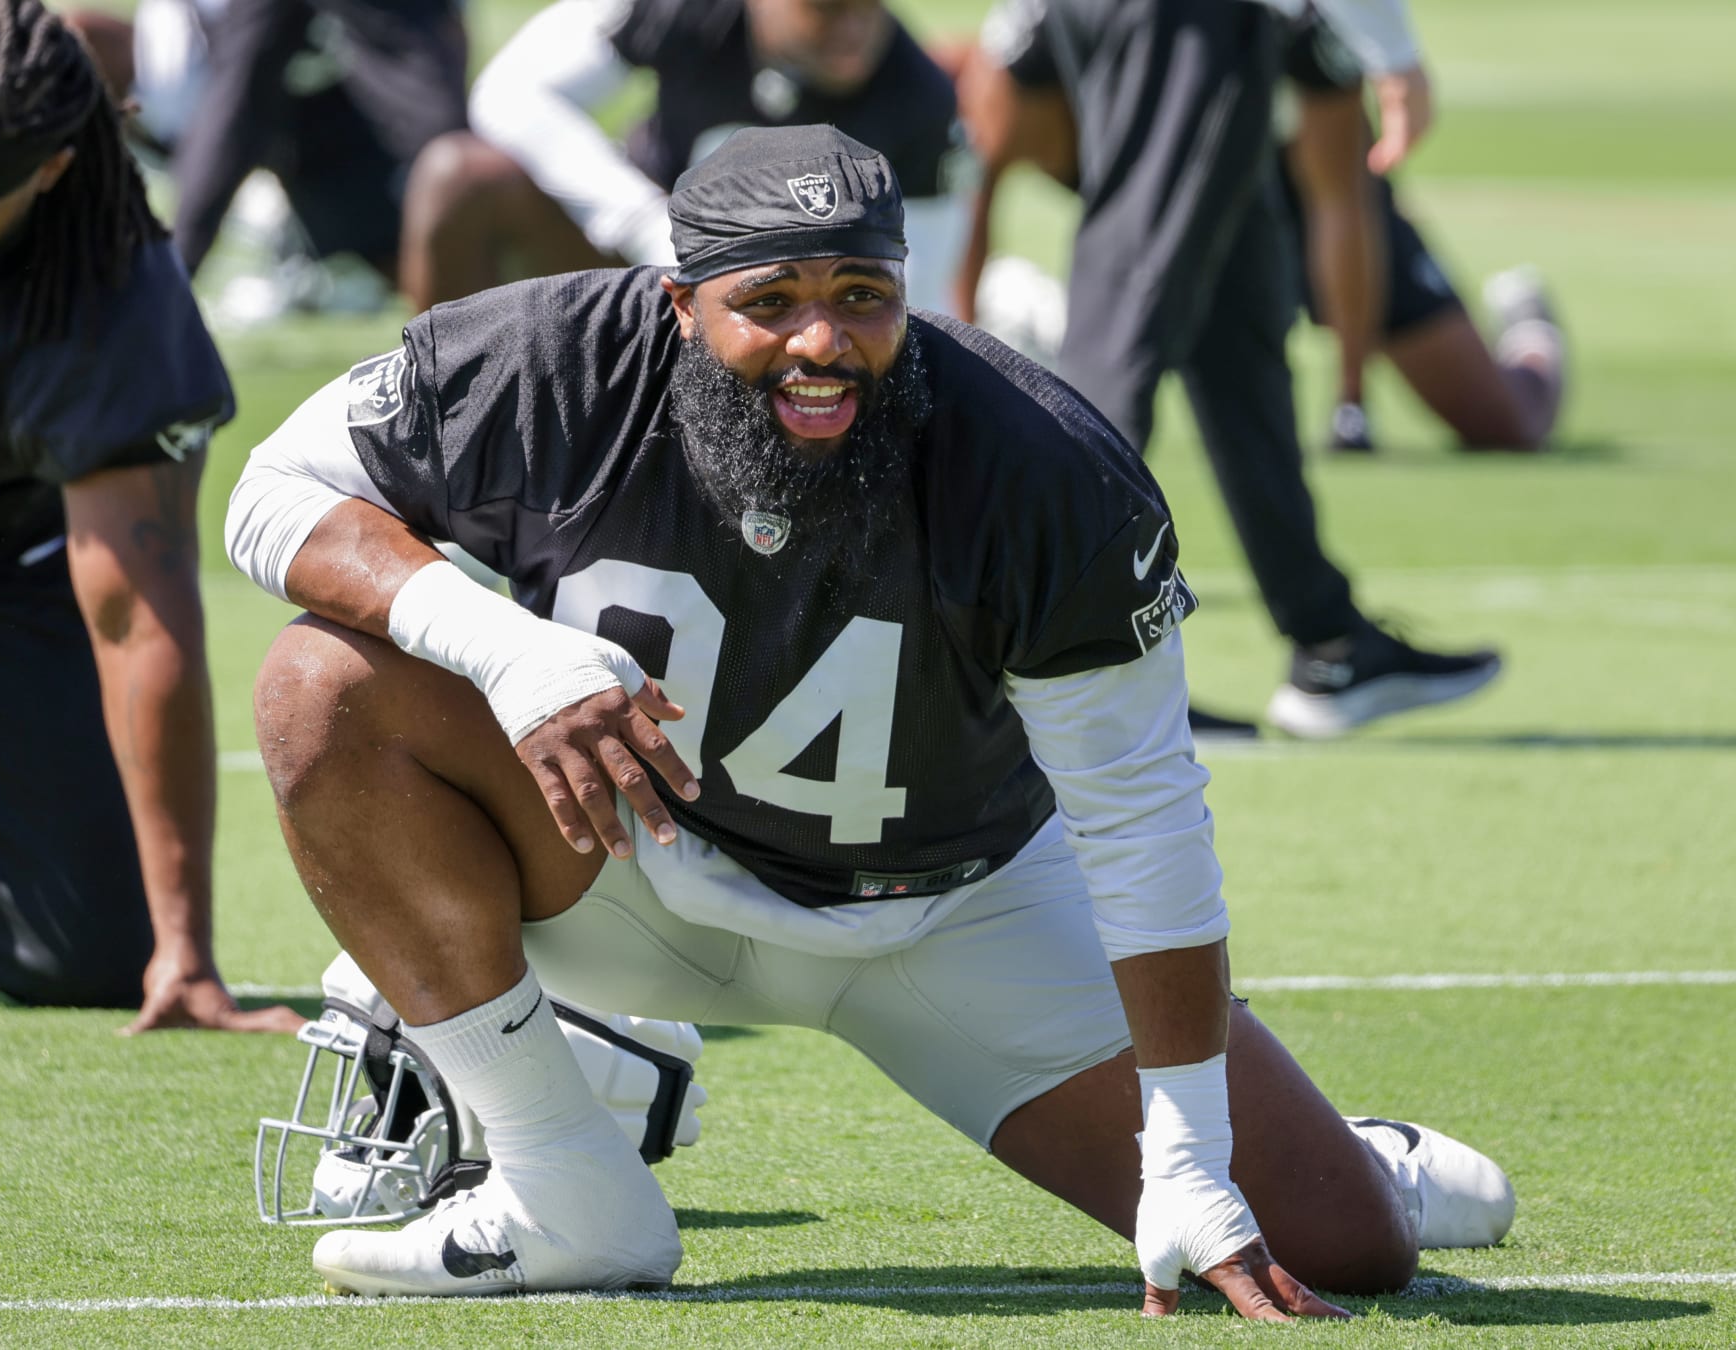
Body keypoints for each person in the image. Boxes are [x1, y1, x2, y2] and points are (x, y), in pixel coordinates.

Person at [226, 125, 1513, 1311]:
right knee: (320, 688)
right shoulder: (550, 360)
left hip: (953, 911)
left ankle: (1360, 1159)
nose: (820, 344)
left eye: (860, 296)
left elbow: (1142, 823)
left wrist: (1185, 1150)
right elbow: (272, 491)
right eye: (769, 303)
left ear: (909, 289)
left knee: (1345, 1250)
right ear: (679, 306)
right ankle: (562, 1176)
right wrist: (506, 650)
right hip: (636, 864)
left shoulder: (1040, 465)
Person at [963, 0, 1502, 739]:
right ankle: (1040, 663)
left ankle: (1329, 644)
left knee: (1237, 325)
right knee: (1127, 324)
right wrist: (1394, 51)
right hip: (1183, 18)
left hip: (1178, 22)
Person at [0, 0, 294, 1030]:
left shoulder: (107, 289)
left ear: (48, 172)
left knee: (88, 954)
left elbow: (137, 615)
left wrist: (185, 949)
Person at [398, 0, 970, 314]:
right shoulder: (687, 11)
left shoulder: (914, 90)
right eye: (824, 7)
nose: (852, 26)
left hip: (788, 317)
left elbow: (916, 294)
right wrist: (643, 221)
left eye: (866, 6)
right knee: (459, 177)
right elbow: (511, 91)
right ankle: (446, 431)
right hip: (643, 272)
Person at [1276, 9, 1566, 453]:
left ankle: (1529, 331)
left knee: (1505, 425)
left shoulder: (1305, 25)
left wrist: (1351, 404)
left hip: (1312, 190)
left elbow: (1341, 200)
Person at [74, 0, 469, 296]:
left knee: (444, 146)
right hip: (309, 120)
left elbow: (234, 113)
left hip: (310, 96)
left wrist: (175, 269)